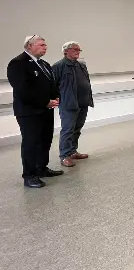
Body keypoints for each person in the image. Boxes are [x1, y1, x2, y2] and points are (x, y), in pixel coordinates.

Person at [7, 35, 63, 188]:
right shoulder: (18, 63)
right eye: (41, 44)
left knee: (45, 140)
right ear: (29, 46)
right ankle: (29, 175)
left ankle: (41, 168)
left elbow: (51, 83)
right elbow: (23, 90)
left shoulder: (44, 64)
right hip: (29, 112)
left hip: (46, 110)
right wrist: (45, 102)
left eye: (45, 45)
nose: (45, 47)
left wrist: (55, 97)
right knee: (31, 143)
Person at [52, 41, 94, 167]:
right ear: (65, 51)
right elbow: (53, 85)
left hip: (83, 102)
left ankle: (73, 151)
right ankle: (64, 155)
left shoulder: (81, 65)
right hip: (69, 104)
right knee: (68, 130)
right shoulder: (58, 66)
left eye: (79, 49)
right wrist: (56, 99)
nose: (78, 51)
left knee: (77, 129)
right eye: (75, 49)